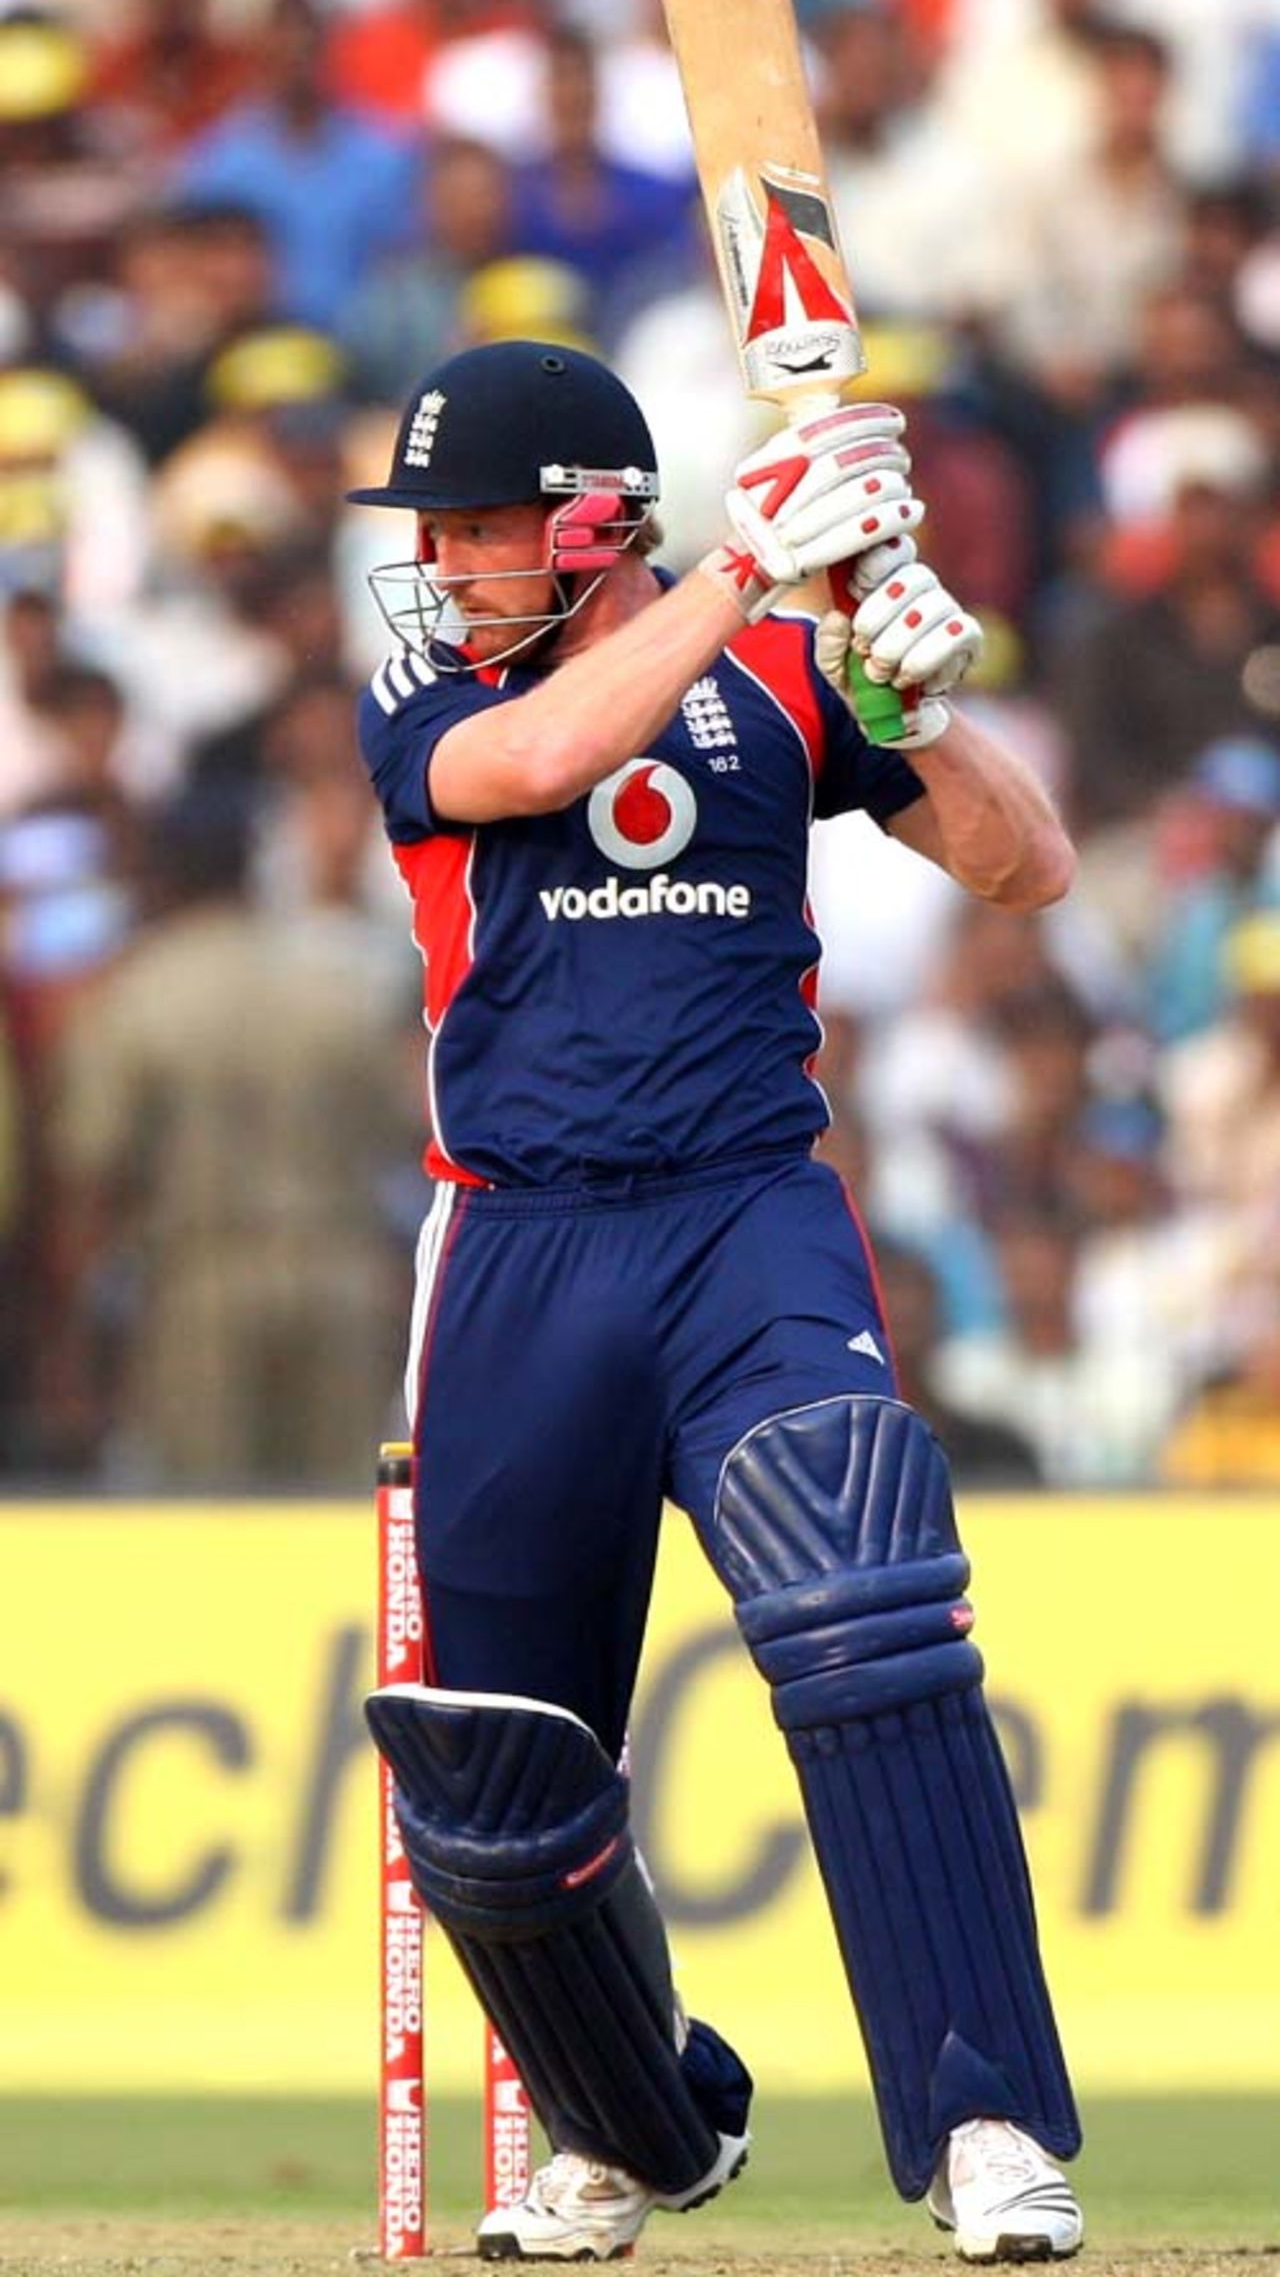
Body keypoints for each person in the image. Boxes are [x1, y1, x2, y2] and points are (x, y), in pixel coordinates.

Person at [350, 338, 1083, 2263]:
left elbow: (1030, 869)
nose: (438, 555)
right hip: (513, 1244)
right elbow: (537, 762)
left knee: (862, 1595)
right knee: (501, 1766)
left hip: (746, 1216)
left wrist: (916, 699)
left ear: (589, 521)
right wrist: (749, 575)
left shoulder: (771, 665)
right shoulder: (432, 689)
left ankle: (987, 2121)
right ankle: (629, 2130)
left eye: (476, 522)